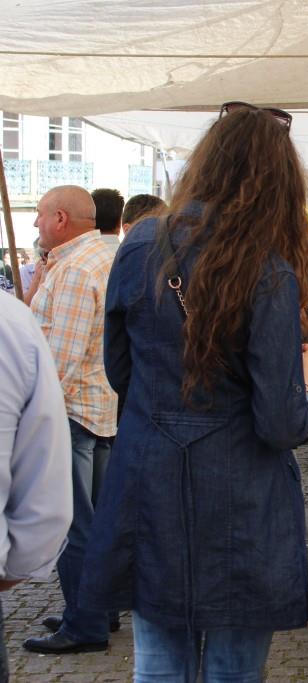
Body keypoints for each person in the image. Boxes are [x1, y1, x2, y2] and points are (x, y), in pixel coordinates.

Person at [77, 103, 308, 681]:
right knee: (233, 670)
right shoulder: (268, 270)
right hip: (240, 497)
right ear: (277, 183)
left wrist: (168, 413)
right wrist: (306, 380)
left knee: (159, 662)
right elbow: (281, 423)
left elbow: (121, 371)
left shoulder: (139, 247)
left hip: (149, 478)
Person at [24, 185, 120, 654]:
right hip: (96, 409)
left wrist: (29, 419)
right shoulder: (95, 257)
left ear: (61, 218)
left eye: (40, 216)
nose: (36, 224)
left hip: (72, 413)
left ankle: (86, 624)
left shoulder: (79, 269)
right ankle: (97, 609)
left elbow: (59, 358)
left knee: (74, 525)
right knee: (96, 522)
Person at [0, 295, 73, 681]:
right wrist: (15, 564)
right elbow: (47, 505)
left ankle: (88, 618)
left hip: (83, 416)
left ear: (62, 226)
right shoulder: (10, 320)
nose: (35, 227)